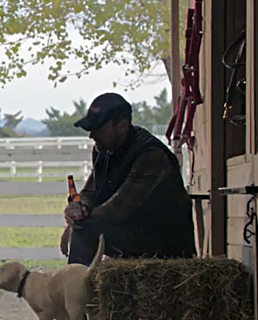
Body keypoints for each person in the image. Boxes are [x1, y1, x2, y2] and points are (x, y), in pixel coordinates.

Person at [61, 92, 197, 265]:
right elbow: (91, 191)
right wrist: (80, 208)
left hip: (163, 245)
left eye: (98, 128)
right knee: (85, 227)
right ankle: (75, 285)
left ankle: (74, 287)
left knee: (86, 229)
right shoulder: (104, 149)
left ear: (122, 126)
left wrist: (78, 224)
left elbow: (119, 208)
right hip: (135, 232)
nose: (92, 135)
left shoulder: (151, 155)